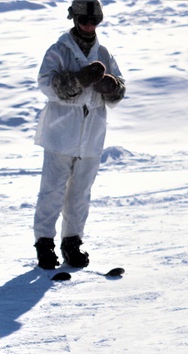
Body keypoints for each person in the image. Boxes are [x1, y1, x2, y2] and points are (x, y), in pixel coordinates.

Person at [32, 0, 126, 270]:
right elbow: (46, 84)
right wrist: (78, 80)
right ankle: (44, 244)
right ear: (73, 18)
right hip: (61, 134)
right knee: (51, 191)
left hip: (91, 136)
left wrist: (112, 87)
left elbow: (119, 87)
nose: (89, 25)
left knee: (80, 194)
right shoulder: (59, 50)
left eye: (93, 20)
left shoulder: (104, 53)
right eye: (84, 19)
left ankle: (72, 242)